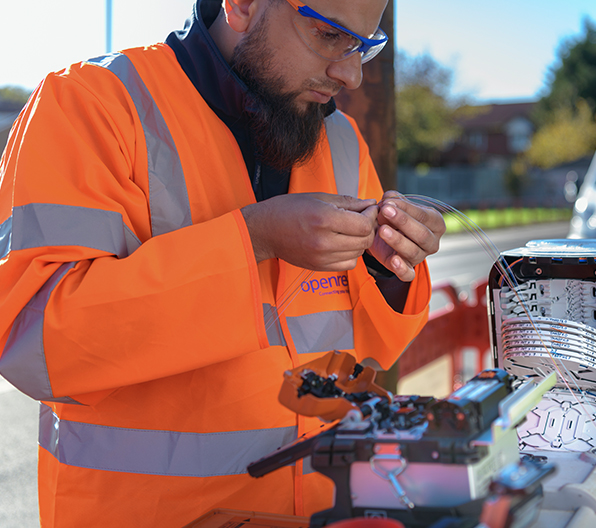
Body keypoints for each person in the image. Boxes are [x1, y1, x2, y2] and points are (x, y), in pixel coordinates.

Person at [0, 0, 445, 525]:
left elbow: (367, 351)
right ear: (242, 5)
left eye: (364, 46)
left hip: (321, 512)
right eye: (329, 36)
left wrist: (388, 270)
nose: (350, 74)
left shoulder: (341, 138)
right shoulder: (90, 105)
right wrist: (253, 239)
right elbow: (36, 344)